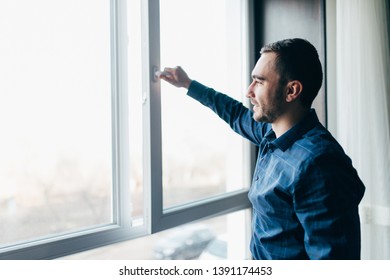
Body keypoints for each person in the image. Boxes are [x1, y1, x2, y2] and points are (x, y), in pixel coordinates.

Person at [158, 38, 365, 260]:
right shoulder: (271, 134)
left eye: (259, 81)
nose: (249, 92)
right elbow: (236, 114)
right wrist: (188, 84)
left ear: (291, 91)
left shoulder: (319, 163)